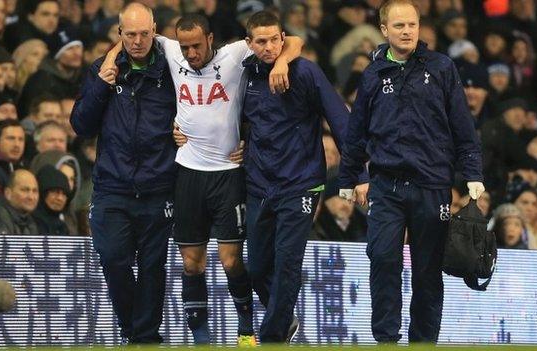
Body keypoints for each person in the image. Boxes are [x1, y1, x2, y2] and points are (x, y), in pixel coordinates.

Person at [102, 9, 303, 345]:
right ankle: (201, 339)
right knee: (192, 264)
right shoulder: (167, 48)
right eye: (185, 47)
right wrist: (110, 56)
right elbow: (129, 38)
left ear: (210, 39)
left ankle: (245, 329)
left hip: (228, 172)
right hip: (187, 173)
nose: (190, 53)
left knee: (231, 260)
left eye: (196, 45)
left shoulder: (234, 54)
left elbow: (293, 39)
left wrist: (282, 63)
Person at [338, 0, 484, 343]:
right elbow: (357, 130)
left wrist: (473, 173)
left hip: (433, 186)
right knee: (383, 259)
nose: (407, 32)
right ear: (384, 29)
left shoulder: (442, 67)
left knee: (428, 274)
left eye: (413, 25)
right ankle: (386, 341)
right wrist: (348, 177)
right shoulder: (373, 73)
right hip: (386, 186)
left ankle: (423, 344)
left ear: (420, 28)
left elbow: (463, 126)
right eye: (399, 26)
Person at [239, 10, 351, 343]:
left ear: (284, 38)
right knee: (258, 267)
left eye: (276, 39)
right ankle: (285, 319)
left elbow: (339, 118)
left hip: (301, 181)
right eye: (261, 41)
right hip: (259, 182)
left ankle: (272, 337)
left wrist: (356, 172)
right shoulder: (243, 75)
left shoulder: (304, 72)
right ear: (249, 44)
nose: (270, 46)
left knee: (287, 261)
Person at [70, 3, 177, 344]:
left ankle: (144, 338)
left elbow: (195, 112)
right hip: (112, 187)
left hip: (159, 187)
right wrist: (101, 85)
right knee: (114, 260)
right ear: (119, 34)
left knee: (152, 269)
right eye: (130, 34)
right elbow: (80, 125)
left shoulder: (173, 70)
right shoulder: (102, 69)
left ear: (155, 30)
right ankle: (135, 330)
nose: (137, 41)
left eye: (144, 33)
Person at [0, 169, 40, 234]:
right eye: (25, 190)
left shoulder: (30, 221)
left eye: (35, 191)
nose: (31, 197)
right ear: (8, 193)